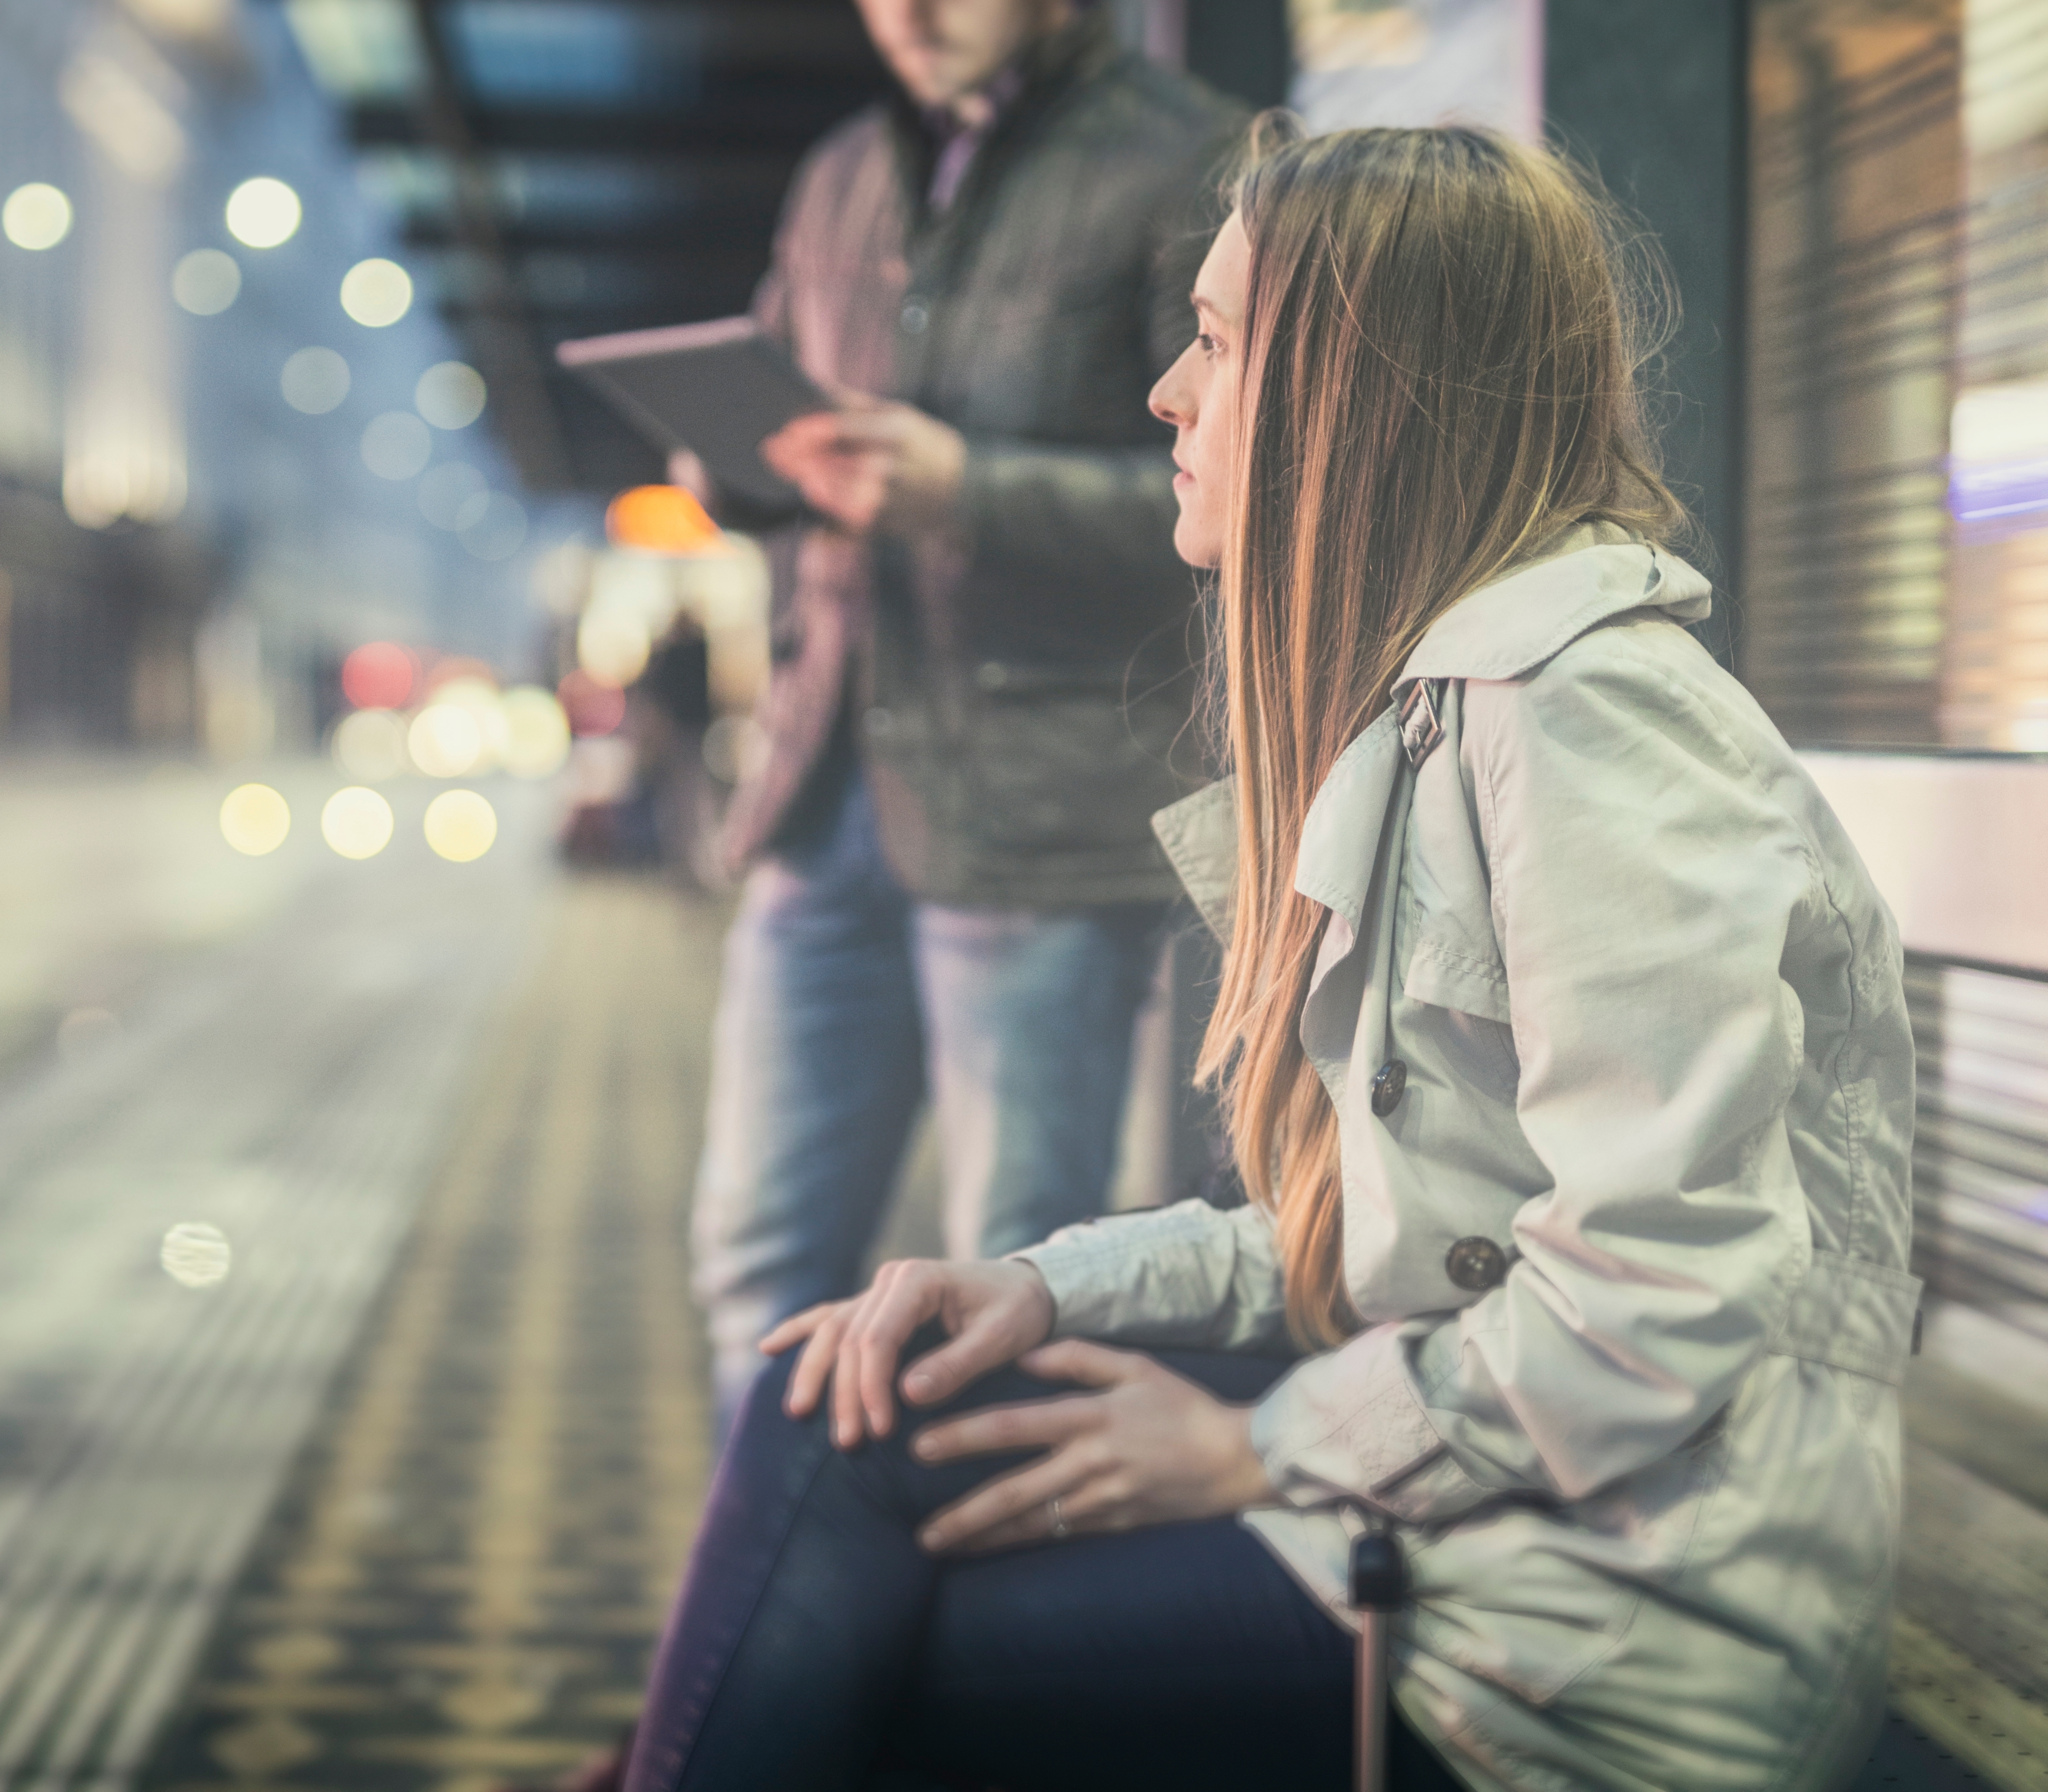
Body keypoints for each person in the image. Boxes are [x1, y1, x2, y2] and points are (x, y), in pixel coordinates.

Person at [612, 122, 1921, 1790]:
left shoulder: (1586, 717)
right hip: (1484, 1529)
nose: (1166, 390)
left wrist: (1253, 1448)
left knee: (887, 1660)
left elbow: (1655, 1299)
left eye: (1221, 340)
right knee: (848, 1390)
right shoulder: (1444, 705)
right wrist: (1037, 1284)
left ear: (1361, 391)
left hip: (1597, 1647)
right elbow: (1382, 1240)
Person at [684, 0, 1249, 1419]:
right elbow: (777, 428)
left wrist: (963, 487)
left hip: (1040, 820)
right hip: (824, 795)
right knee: (758, 1257)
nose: (902, 5)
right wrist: (735, 459)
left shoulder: (1193, 159)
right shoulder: (846, 174)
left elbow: (1233, 505)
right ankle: (774, 1617)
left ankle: (981, 1654)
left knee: (1020, 1275)